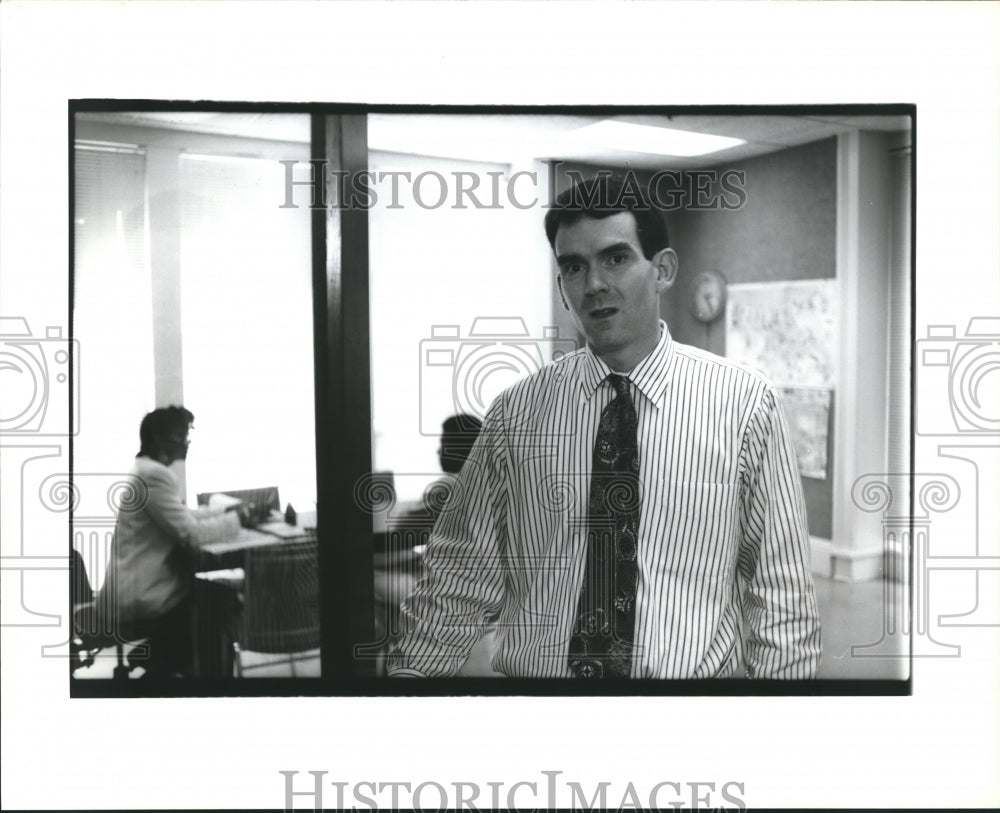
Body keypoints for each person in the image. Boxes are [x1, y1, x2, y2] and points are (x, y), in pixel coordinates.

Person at [387, 175, 822, 679]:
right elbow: (457, 579)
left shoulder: (744, 406)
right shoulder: (515, 417)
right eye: (574, 267)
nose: (593, 285)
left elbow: (781, 592)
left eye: (615, 258)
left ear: (662, 270)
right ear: (562, 286)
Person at [97, 406, 241, 678]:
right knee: (219, 602)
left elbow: (178, 513)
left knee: (213, 600)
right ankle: (197, 675)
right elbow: (191, 535)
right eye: (180, 435)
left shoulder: (143, 469)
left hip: (132, 589)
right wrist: (237, 521)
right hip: (143, 595)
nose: (187, 442)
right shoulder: (154, 475)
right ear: (158, 438)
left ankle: (171, 662)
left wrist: (223, 512)